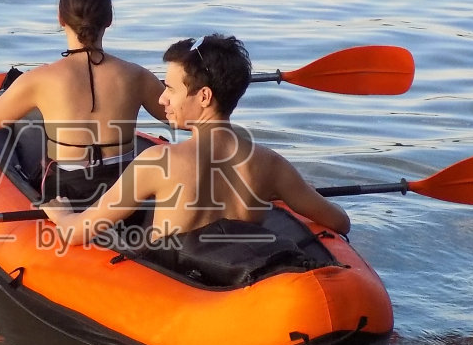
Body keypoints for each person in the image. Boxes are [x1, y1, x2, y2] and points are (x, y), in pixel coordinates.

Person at [42, 34, 350, 250]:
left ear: (204, 96)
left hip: (177, 289)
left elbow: (79, 233)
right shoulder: (271, 166)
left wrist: (62, 214)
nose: (162, 98)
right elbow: (339, 221)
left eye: (171, 89)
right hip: (240, 280)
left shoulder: (158, 163)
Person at [0, 0, 166, 204]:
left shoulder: (40, 79)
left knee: (41, 171)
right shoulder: (136, 75)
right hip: (125, 190)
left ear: (61, 18)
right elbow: (180, 117)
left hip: (68, 194)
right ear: (109, 19)